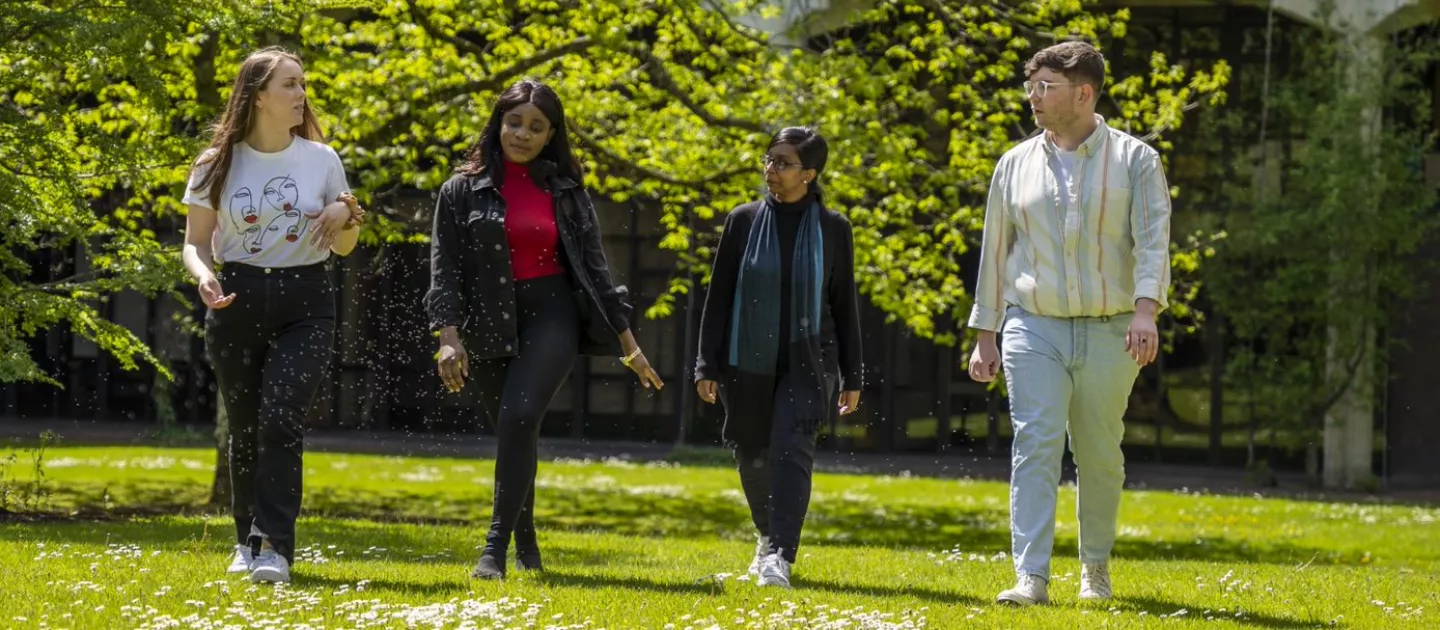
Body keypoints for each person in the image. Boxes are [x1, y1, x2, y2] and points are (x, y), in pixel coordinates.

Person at [426, 79, 665, 580]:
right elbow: (443, 269)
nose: (522, 133)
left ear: (550, 134)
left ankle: (493, 549)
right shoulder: (458, 190)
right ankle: (527, 543)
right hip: (486, 319)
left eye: (536, 127)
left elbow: (596, 271)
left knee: (518, 419)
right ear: (499, 123)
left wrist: (630, 345)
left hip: (552, 314)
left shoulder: (567, 193)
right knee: (517, 432)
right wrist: (448, 337)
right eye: (514, 122)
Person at [967, 41, 1172, 606]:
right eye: (1031, 86)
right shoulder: (1013, 164)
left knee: (1099, 454)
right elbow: (995, 252)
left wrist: (1145, 311)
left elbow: (1153, 244)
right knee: (1035, 442)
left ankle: (1095, 568)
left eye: (1045, 87)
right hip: (1034, 325)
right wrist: (986, 333)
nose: (1032, 97)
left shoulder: (1137, 160)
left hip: (1112, 327)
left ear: (1083, 93)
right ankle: (1030, 575)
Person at [181, 46, 366, 585]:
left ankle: (275, 548)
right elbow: (194, 243)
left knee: (281, 416)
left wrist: (345, 211)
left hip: (305, 301)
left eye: (302, 84)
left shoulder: (321, 159)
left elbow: (348, 247)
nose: (300, 94)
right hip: (235, 297)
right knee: (243, 428)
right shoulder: (214, 163)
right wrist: (203, 275)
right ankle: (245, 542)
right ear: (258, 95)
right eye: (290, 84)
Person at [694, 126, 864, 589]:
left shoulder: (834, 228)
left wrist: (854, 373)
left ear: (809, 173)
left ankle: (780, 558)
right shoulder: (743, 220)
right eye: (769, 160)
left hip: (811, 358)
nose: (772, 169)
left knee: (791, 447)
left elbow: (844, 302)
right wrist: (705, 364)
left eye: (783, 163)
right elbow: (719, 298)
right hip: (744, 357)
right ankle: (768, 536)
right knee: (751, 453)